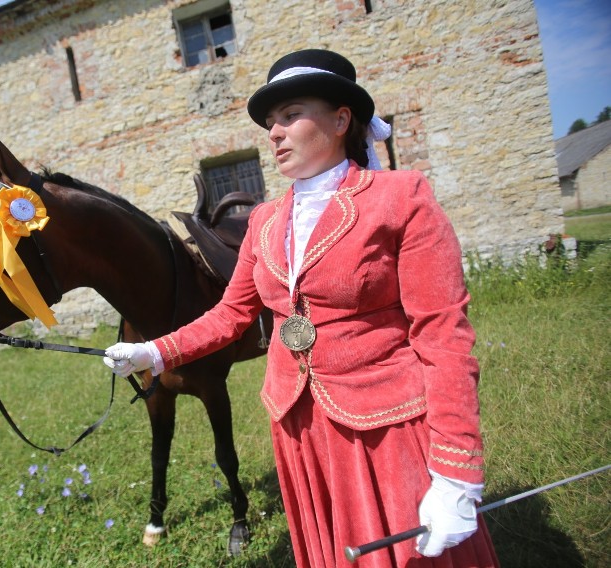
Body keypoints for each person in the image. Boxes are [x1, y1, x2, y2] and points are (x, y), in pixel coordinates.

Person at [104, 49, 499, 567]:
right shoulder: (266, 221)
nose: (274, 132)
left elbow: (443, 335)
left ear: (340, 120)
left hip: (384, 426)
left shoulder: (403, 198)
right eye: (271, 122)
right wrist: (155, 352)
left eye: (290, 115)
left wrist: (455, 471)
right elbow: (231, 315)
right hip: (297, 427)